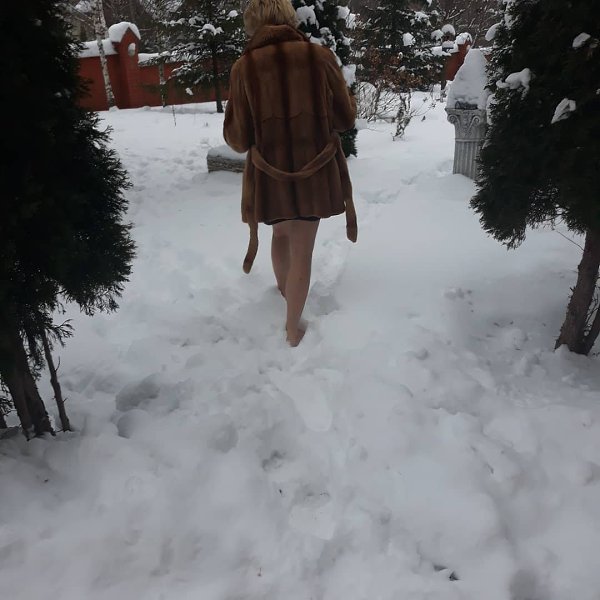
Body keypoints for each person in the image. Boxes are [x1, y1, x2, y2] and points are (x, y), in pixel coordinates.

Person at [224, 0, 357, 347]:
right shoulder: (319, 56)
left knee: (280, 235)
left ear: (253, 23)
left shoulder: (244, 67)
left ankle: (286, 294)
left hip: (270, 177)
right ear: (288, 17)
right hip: (314, 173)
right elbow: (345, 119)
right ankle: (292, 329)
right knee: (302, 251)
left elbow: (238, 139)